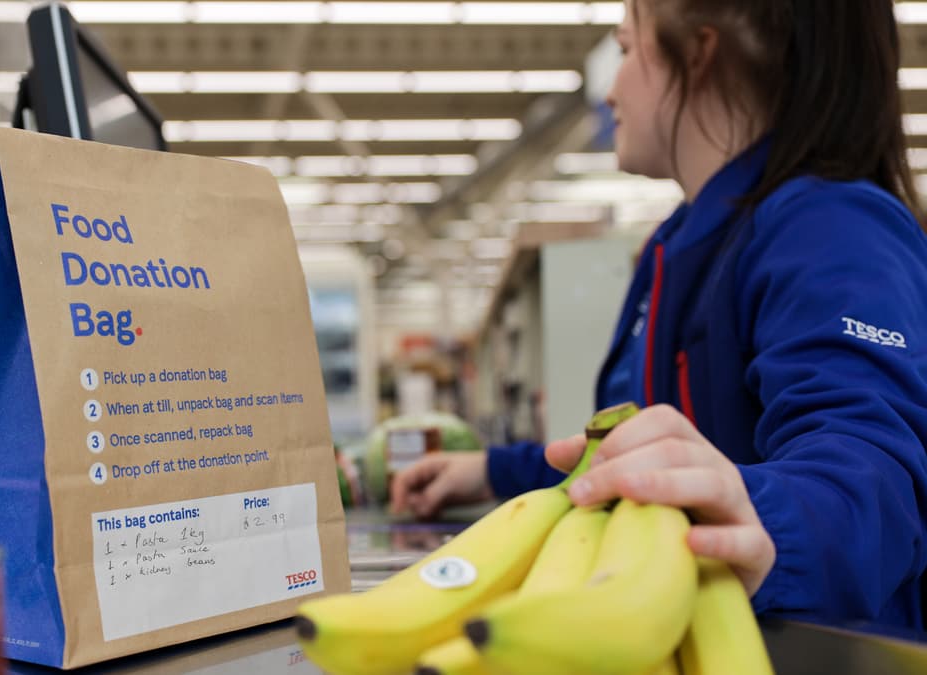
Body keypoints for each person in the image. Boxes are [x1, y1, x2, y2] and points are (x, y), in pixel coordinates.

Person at [391, 0, 927, 630]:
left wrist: (763, 520)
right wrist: (488, 470)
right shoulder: (683, 242)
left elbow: (872, 479)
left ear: (699, 53)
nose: (611, 91)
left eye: (624, 50)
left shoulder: (831, 229)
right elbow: (643, 455)